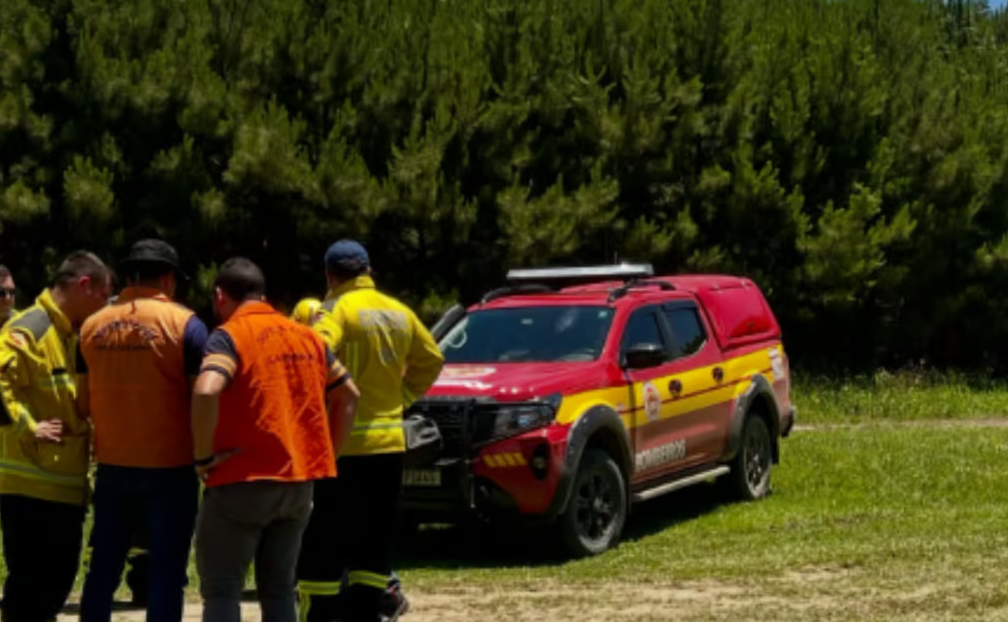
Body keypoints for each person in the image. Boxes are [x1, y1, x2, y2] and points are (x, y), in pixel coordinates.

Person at [192, 257, 359, 622]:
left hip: (241, 481)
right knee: (280, 589)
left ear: (220, 296)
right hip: (298, 483)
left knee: (222, 589)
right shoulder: (307, 336)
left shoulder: (228, 336)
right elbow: (349, 395)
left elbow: (206, 390)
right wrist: (327, 455)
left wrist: (203, 458)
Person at [297, 240, 445, 622]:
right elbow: (432, 359)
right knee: (373, 546)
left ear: (330, 276)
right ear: (368, 272)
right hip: (390, 447)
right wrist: (403, 397)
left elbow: (315, 353)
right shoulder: (399, 311)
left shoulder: (335, 310)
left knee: (324, 544)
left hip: (342, 446)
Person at [78, 240, 208, 622]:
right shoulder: (186, 325)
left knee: (103, 567)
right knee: (166, 571)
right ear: (168, 279)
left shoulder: (91, 327)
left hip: (113, 464)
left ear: (129, 277)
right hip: (171, 466)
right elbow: (202, 398)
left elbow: (82, 403)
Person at [0, 250, 113, 622]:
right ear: (84, 285)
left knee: (53, 588)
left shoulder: (68, 333)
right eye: (103, 296)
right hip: (31, 488)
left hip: (62, 487)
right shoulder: (30, 329)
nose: (105, 306)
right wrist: (28, 427)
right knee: (29, 592)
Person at [289, 297, 408, 622]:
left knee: (326, 536)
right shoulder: (368, 328)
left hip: (335, 455)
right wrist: (402, 400)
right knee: (367, 533)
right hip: (377, 448)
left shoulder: (318, 352)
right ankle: (385, 592)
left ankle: (379, 593)